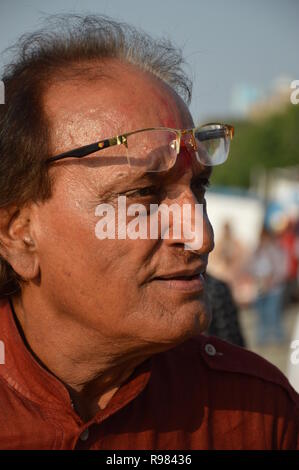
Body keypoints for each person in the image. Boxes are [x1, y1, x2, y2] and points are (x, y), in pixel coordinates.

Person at [0, 15, 298, 450]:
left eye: (198, 187)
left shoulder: (255, 414)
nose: (201, 236)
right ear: (19, 234)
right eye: (142, 195)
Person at [249, 227, 287, 344]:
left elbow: (282, 269)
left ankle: (279, 338)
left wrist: (272, 281)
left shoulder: (276, 250)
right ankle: (262, 340)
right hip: (259, 287)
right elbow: (250, 267)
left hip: (274, 288)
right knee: (261, 315)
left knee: (273, 313)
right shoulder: (257, 251)